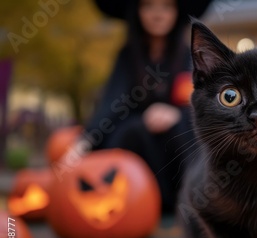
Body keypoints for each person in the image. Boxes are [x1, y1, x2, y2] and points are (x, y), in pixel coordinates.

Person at [81, 0, 212, 213]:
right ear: (137, 11)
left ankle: (187, 199)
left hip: (178, 136)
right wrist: (85, 141)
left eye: (166, 6)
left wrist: (176, 113)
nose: (157, 14)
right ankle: (138, 202)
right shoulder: (127, 57)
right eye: (148, 6)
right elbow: (113, 103)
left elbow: (202, 100)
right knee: (134, 132)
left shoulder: (190, 55)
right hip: (138, 137)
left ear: (176, 12)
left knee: (184, 128)